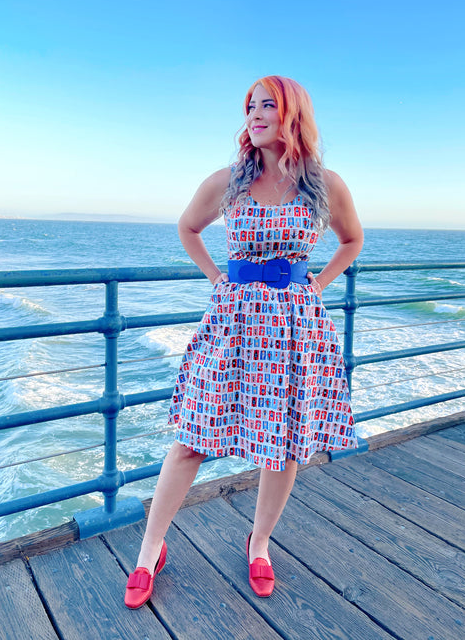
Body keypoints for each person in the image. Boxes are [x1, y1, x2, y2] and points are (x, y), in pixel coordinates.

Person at [124, 75, 364, 608]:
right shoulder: (228, 181)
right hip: (234, 324)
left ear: (293, 115)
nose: (254, 116)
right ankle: (149, 552)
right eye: (250, 108)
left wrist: (318, 284)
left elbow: (353, 240)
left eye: (267, 107)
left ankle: (259, 544)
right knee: (191, 436)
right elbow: (188, 227)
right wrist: (215, 278)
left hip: (295, 328)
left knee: (281, 445)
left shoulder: (325, 184)